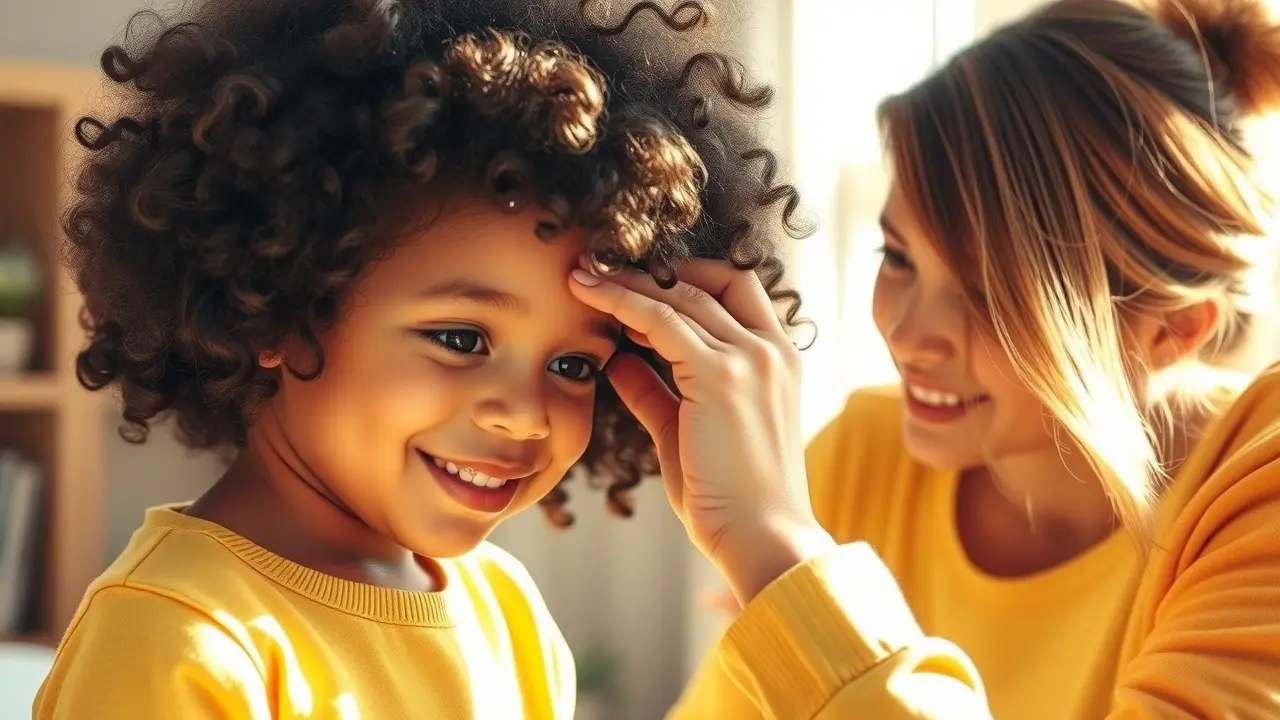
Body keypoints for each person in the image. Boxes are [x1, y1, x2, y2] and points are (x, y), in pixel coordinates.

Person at [33, 0, 841, 717]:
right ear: (277, 306)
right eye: (462, 339)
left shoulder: (507, 613)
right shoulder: (177, 635)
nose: (524, 414)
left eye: (573, 367)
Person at [666, 0, 1280, 716]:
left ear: (1173, 330)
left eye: (991, 295)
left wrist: (783, 560)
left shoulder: (1256, 490)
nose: (906, 332)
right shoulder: (864, 461)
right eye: (897, 256)